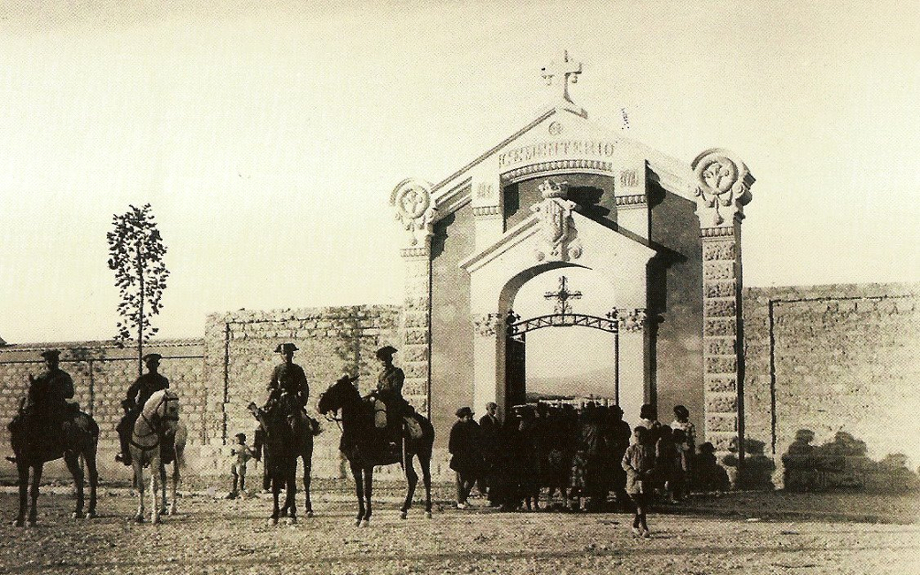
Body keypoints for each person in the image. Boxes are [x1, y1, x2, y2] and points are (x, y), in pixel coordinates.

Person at [116, 353, 169, 465]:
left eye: (154, 364)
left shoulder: (163, 380)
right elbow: (131, 394)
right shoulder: (142, 379)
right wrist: (133, 406)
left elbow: (166, 396)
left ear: (157, 365)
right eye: (150, 364)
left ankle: (166, 452)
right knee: (123, 425)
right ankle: (125, 453)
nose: (152, 366)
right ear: (147, 366)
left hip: (158, 410)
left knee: (168, 427)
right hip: (142, 409)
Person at [20, 349, 75, 454]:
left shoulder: (63, 376)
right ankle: (27, 449)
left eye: (53, 360)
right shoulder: (41, 377)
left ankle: (66, 447)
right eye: (48, 361)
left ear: (57, 361)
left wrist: (57, 393)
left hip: (58, 406)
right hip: (42, 407)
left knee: (61, 423)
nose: (50, 363)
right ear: (45, 362)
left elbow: (70, 393)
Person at [622, 426, 656, 539]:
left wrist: (649, 472)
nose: (639, 439)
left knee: (643, 504)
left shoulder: (650, 449)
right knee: (639, 504)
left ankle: (635, 525)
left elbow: (654, 464)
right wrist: (632, 472)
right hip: (634, 482)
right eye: (636, 436)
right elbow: (624, 463)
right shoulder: (630, 449)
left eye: (641, 436)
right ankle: (645, 527)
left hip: (646, 481)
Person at [373, 345, 408, 446]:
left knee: (391, 415)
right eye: (381, 360)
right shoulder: (381, 375)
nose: (383, 362)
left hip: (394, 401)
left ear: (390, 359)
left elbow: (396, 389)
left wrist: (382, 393)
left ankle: (393, 439)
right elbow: (379, 387)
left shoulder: (397, 372)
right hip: (382, 400)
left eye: (385, 359)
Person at [448, 407, 481, 509]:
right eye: (468, 416)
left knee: (471, 479)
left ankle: (463, 498)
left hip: (473, 457)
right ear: (461, 417)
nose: (470, 418)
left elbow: (480, 437)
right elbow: (452, 446)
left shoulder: (474, 425)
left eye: (470, 416)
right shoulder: (456, 428)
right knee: (460, 480)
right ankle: (460, 501)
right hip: (461, 458)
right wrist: (459, 453)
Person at [266, 343, 309, 413]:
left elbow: (304, 387)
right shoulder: (277, 369)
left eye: (289, 353)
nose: (286, 356)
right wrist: (272, 391)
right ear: (281, 356)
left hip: (293, 401)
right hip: (279, 400)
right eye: (284, 353)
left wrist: (301, 400)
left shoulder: (297, 369)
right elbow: (271, 384)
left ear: (292, 354)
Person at [670, 405, 696, 499]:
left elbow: (692, 439)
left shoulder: (689, 425)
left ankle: (687, 491)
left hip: (686, 449)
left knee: (686, 470)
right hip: (676, 449)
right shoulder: (673, 424)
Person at [478, 402, 501, 504]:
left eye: (494, 409)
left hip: (495, 451)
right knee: (488, 473)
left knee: (494, 474)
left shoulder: (495, 420)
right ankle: (486, 493)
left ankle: (493, 496)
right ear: (487, 409)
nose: (494, 411)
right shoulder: (484, 420)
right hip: (488, 451)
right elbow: (484, 435)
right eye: (492, 409)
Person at [227, 433, 255, 499]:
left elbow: (249, 454)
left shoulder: (245, 447)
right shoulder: (235, 446)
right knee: (234, 475)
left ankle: (241, 489)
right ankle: (234, 489)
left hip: (240, 462)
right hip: (234, 462)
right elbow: (231, 453)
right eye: (236, 439)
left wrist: (245, 460)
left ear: (242, 440)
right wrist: (232, 453)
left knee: (241, 475)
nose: (236, 440)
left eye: (238, 439)